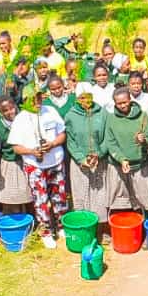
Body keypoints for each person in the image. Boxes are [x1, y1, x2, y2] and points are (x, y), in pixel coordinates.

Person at [10, 87, 68, 247]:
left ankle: (61, 226)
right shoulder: (21, 118)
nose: (37, 103)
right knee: (41, 200)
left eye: (39, 99)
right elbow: (15, 146)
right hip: (34, 165)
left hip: (55, 161)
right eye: (33, 100)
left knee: (59, 196)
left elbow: (62, 134)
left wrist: (53, 143)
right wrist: (32, 151)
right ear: (26, 100)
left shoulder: (50, 111)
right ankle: (46, 232)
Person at [64, 85, 111, 242]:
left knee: (100, 196)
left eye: (88, 97)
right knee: (82, 195)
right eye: (82, 97)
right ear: (77, 99)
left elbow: (107, 137)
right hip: (80, 165)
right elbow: (70, 141)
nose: (85, 101)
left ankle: (102, 229)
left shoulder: (102, 113)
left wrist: (99, 153)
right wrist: (80, 158)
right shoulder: (71, 116)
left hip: (100, 162)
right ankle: (85, 231)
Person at [105, 87, 148, 216]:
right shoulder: (111, 119)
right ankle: (122, 226)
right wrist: (121, 159)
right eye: (119, 103)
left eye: (125, 102)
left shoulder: (142, 116)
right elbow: (110, 143)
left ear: (130, 100)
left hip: (140, 165)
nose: (122, 106)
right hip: (118, 165)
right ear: (114, 103)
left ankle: (145, 227)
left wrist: (143, 140)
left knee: (143, 197)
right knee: (120, 198)